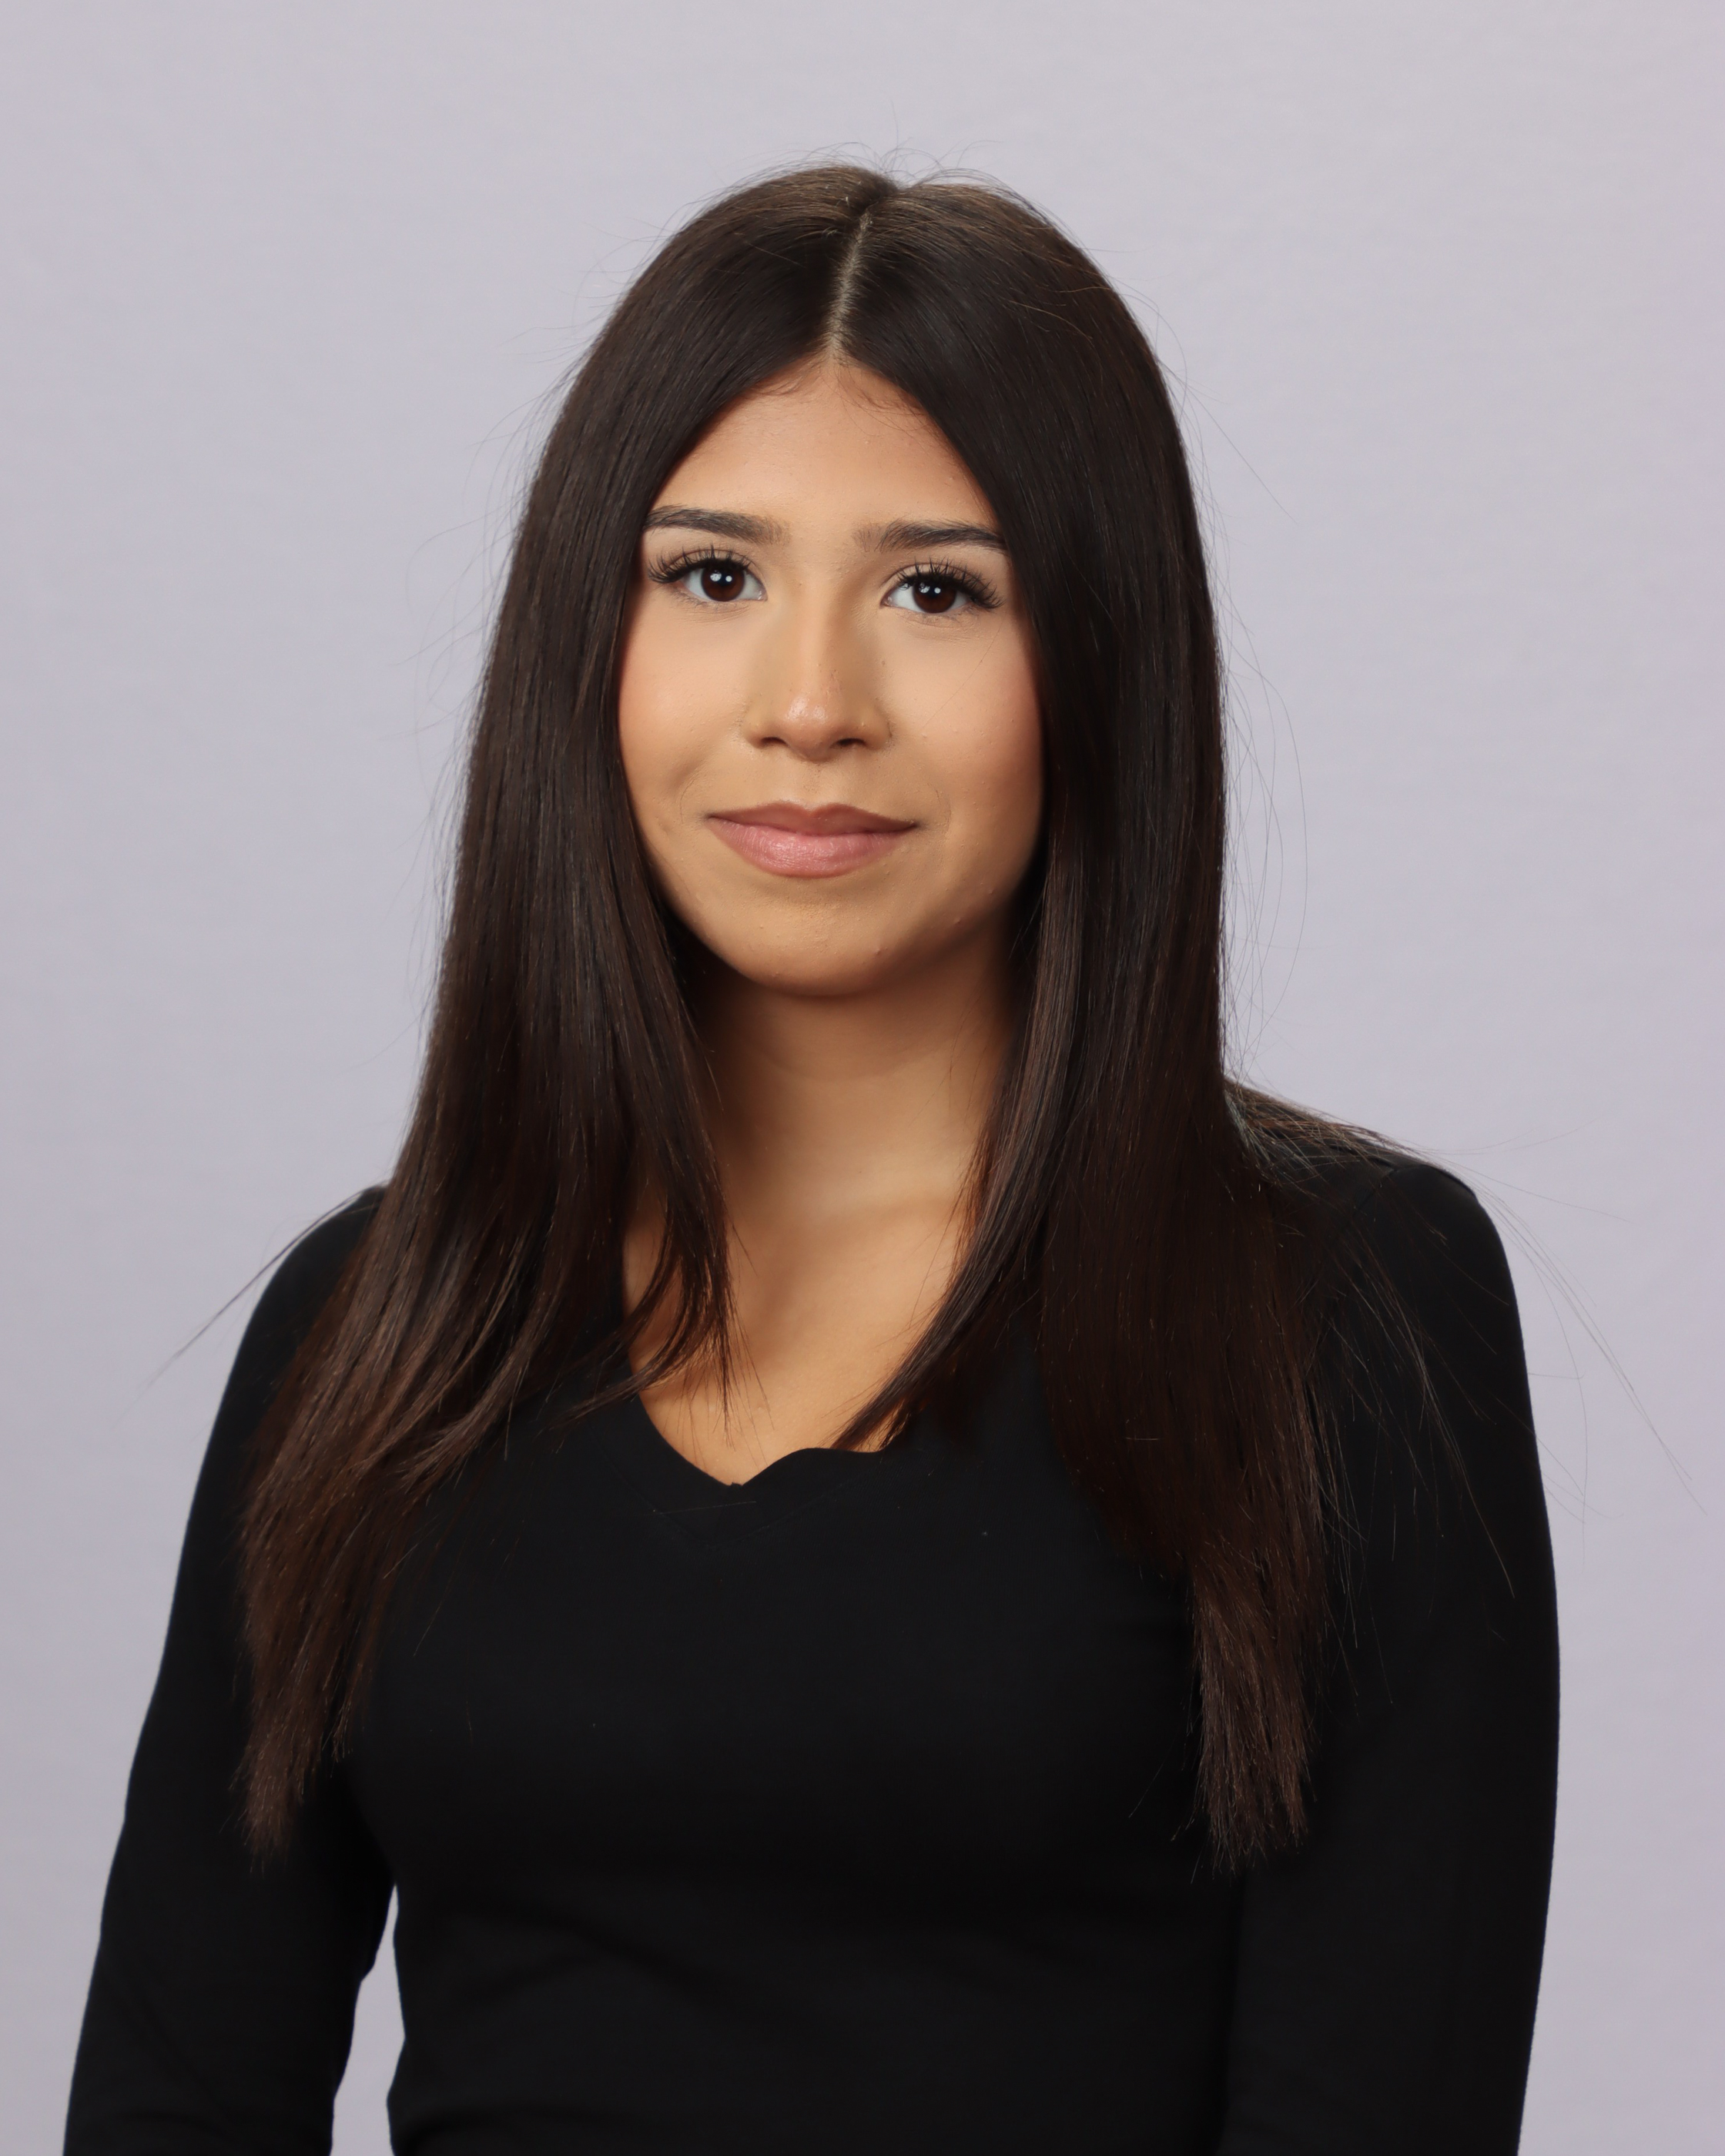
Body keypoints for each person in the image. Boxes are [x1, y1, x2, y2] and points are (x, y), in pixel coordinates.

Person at [65, 166, 1559, 2156]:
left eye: (937, 591)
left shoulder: (1343, 1317)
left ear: (1099, 660)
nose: (808, 706)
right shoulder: (378, 1323)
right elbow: (172, 2099)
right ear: (587, 641)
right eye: (713, 578)